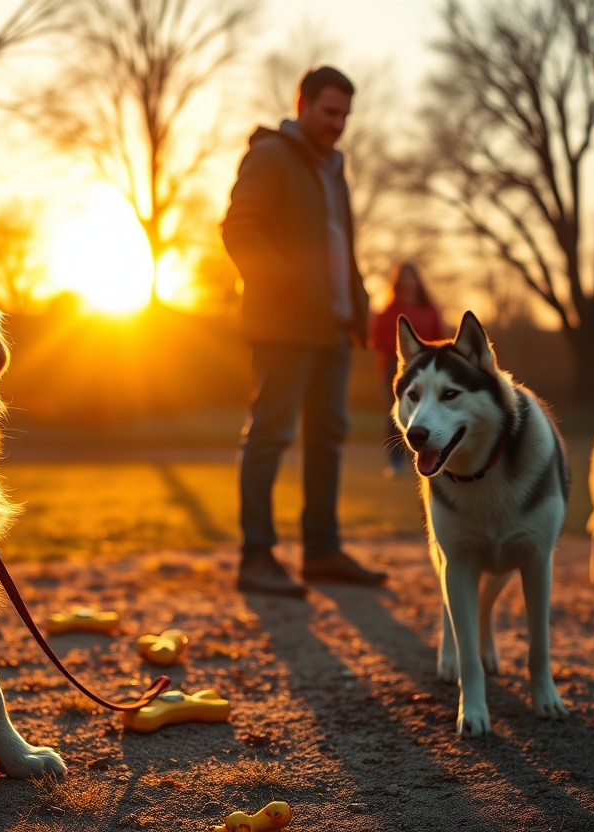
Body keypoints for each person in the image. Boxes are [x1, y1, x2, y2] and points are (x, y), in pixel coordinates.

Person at [220, 66, 386, 597]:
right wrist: (285, 286)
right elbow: (238, 228)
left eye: (345, 116)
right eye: (329, 112)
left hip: (333, 330)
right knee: (270, 435)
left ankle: (321, 552)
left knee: (328, 438)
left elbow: (341, 246)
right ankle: (257, 556)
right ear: (304, 104)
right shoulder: (270, 156)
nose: (337, 124)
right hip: (285, 326)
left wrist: (358, 308)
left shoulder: (334, 169)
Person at [369, 261, 444, 477]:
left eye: (412, 277)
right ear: (398, 282)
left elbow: (440, 339)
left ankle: (432, 457)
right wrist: (404, 349)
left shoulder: (429, 310)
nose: (408, 281)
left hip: (428, 369)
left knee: (429, 411)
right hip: (395, 366)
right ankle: (395, 461)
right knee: (396, 412)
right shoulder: (389, 310)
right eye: (404, 277)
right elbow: (376, 339)